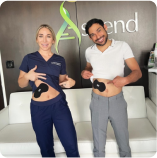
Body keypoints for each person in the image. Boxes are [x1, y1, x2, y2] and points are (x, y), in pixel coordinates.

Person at [81, 18, 142, 158]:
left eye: (99, 31)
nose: (98, 36)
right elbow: (88, 67)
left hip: (117, 101)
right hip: (97, 101)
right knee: (98, 146)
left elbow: (137, 72)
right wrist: (84, 72)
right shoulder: (89, 52)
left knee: (124, 144)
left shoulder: (122, 46)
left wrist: (125, 80)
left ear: (105, 27)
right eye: (93, 35)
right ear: (90, 37)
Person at [18, 24, 80, 158]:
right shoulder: (29, 58)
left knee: (71, 146)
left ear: (53, 40)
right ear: (36, 39)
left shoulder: (60, 60)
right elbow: (21, 83)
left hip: (59, 106)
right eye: (41, 36)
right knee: (46, 149)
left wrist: (71, 82)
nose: (44, 40)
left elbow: (62, 82)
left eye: (48, 36)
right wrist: (28, 76)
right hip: (38, 109)